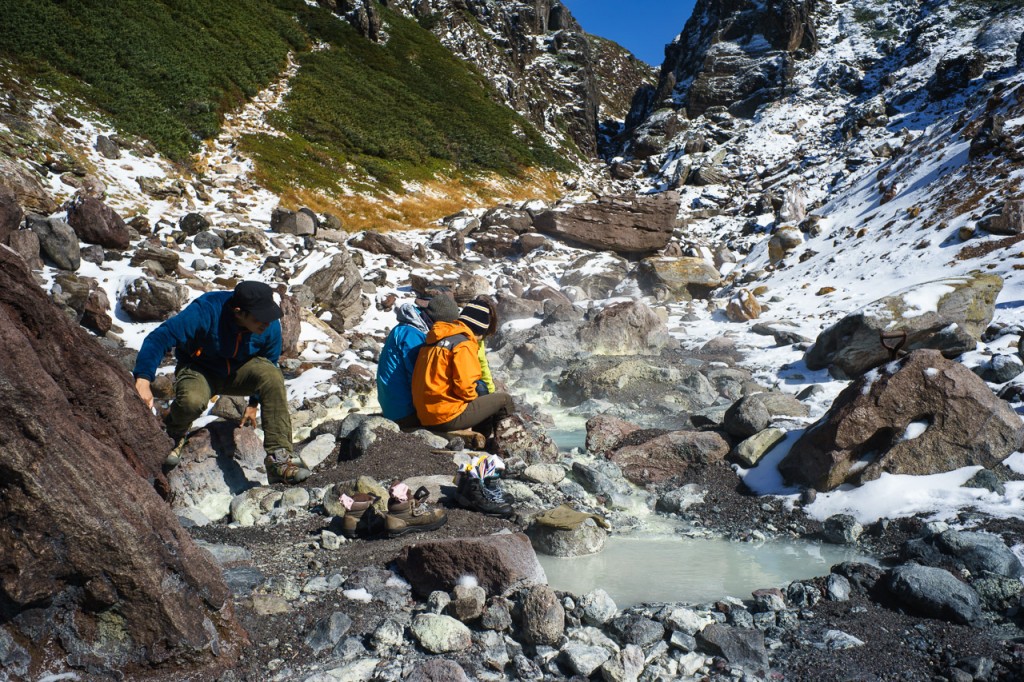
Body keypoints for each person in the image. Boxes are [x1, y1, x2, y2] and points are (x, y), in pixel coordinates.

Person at [132, 280, 309, 484]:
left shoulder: (268, 327)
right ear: (238, 311)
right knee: (192, 401)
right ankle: (176, 432)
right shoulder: (206, 310)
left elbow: (268, 365)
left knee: (272, 375)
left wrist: (253, 403)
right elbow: (160, 338)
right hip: (200, 369)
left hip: (239, 371)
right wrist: (143, 379)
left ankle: (279, 459)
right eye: (260, 317)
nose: (267, 322)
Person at [411, 300, 514, 436]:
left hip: (425, 414)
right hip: (444, 417)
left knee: (480, 391)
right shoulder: (463, 345)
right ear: (479, 330)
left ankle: (479, 435)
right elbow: (465, 388)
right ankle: (491, 441)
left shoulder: (436, 339)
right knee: (505, 400)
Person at [376, 294, 461, 427]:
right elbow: (420, 379)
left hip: (392, 405)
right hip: (404, 412)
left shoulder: (407, 328)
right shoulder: (412, 335)